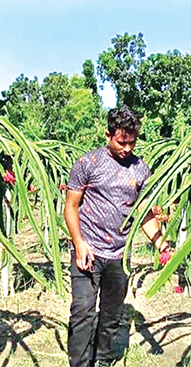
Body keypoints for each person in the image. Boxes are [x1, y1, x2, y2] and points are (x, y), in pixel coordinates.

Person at [64, 105, 170, 367]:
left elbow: (144, 214)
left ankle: (101, 360)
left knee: (112, 314)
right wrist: (78, 243)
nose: (127, 148)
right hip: (88, 250)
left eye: (132, 142)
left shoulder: (140, 169)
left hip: (120, 255)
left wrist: (161, 244)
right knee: (83, 313)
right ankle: (79, 363)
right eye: (122, 142)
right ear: (108, 135)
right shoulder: (88, 164)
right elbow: (71, 207)